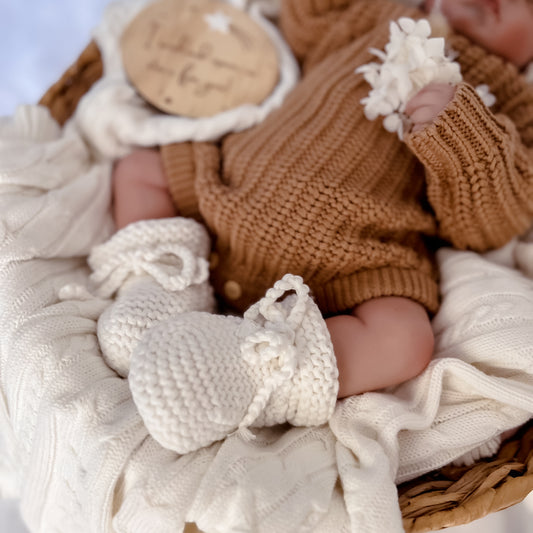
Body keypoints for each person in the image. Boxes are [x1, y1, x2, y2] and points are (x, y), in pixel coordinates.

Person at [109, 0, 533, 404]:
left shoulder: (514, 102)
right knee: (140, 170)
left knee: (404, 341)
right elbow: (307, 20)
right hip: (227, 187)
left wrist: (463, 131)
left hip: (351, 261)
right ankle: (162, 284)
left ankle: (252, 372)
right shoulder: (377, 15)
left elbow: (485, 226)